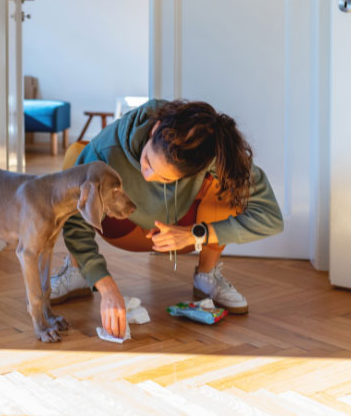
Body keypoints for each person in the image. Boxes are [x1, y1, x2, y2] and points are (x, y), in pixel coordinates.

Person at [54, 99, 283, 338]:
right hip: (121, 226)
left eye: (165, 179)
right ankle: (79, 270)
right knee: (76, 156)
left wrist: (195, 234)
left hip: (181, 234)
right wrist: (106, 286)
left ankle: (207, 275)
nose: (148, 175)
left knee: (227, 183)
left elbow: (271, 218)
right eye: (148, 161)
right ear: (154, 129)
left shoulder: (209, 150)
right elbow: (75, 225)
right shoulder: (105, 151)